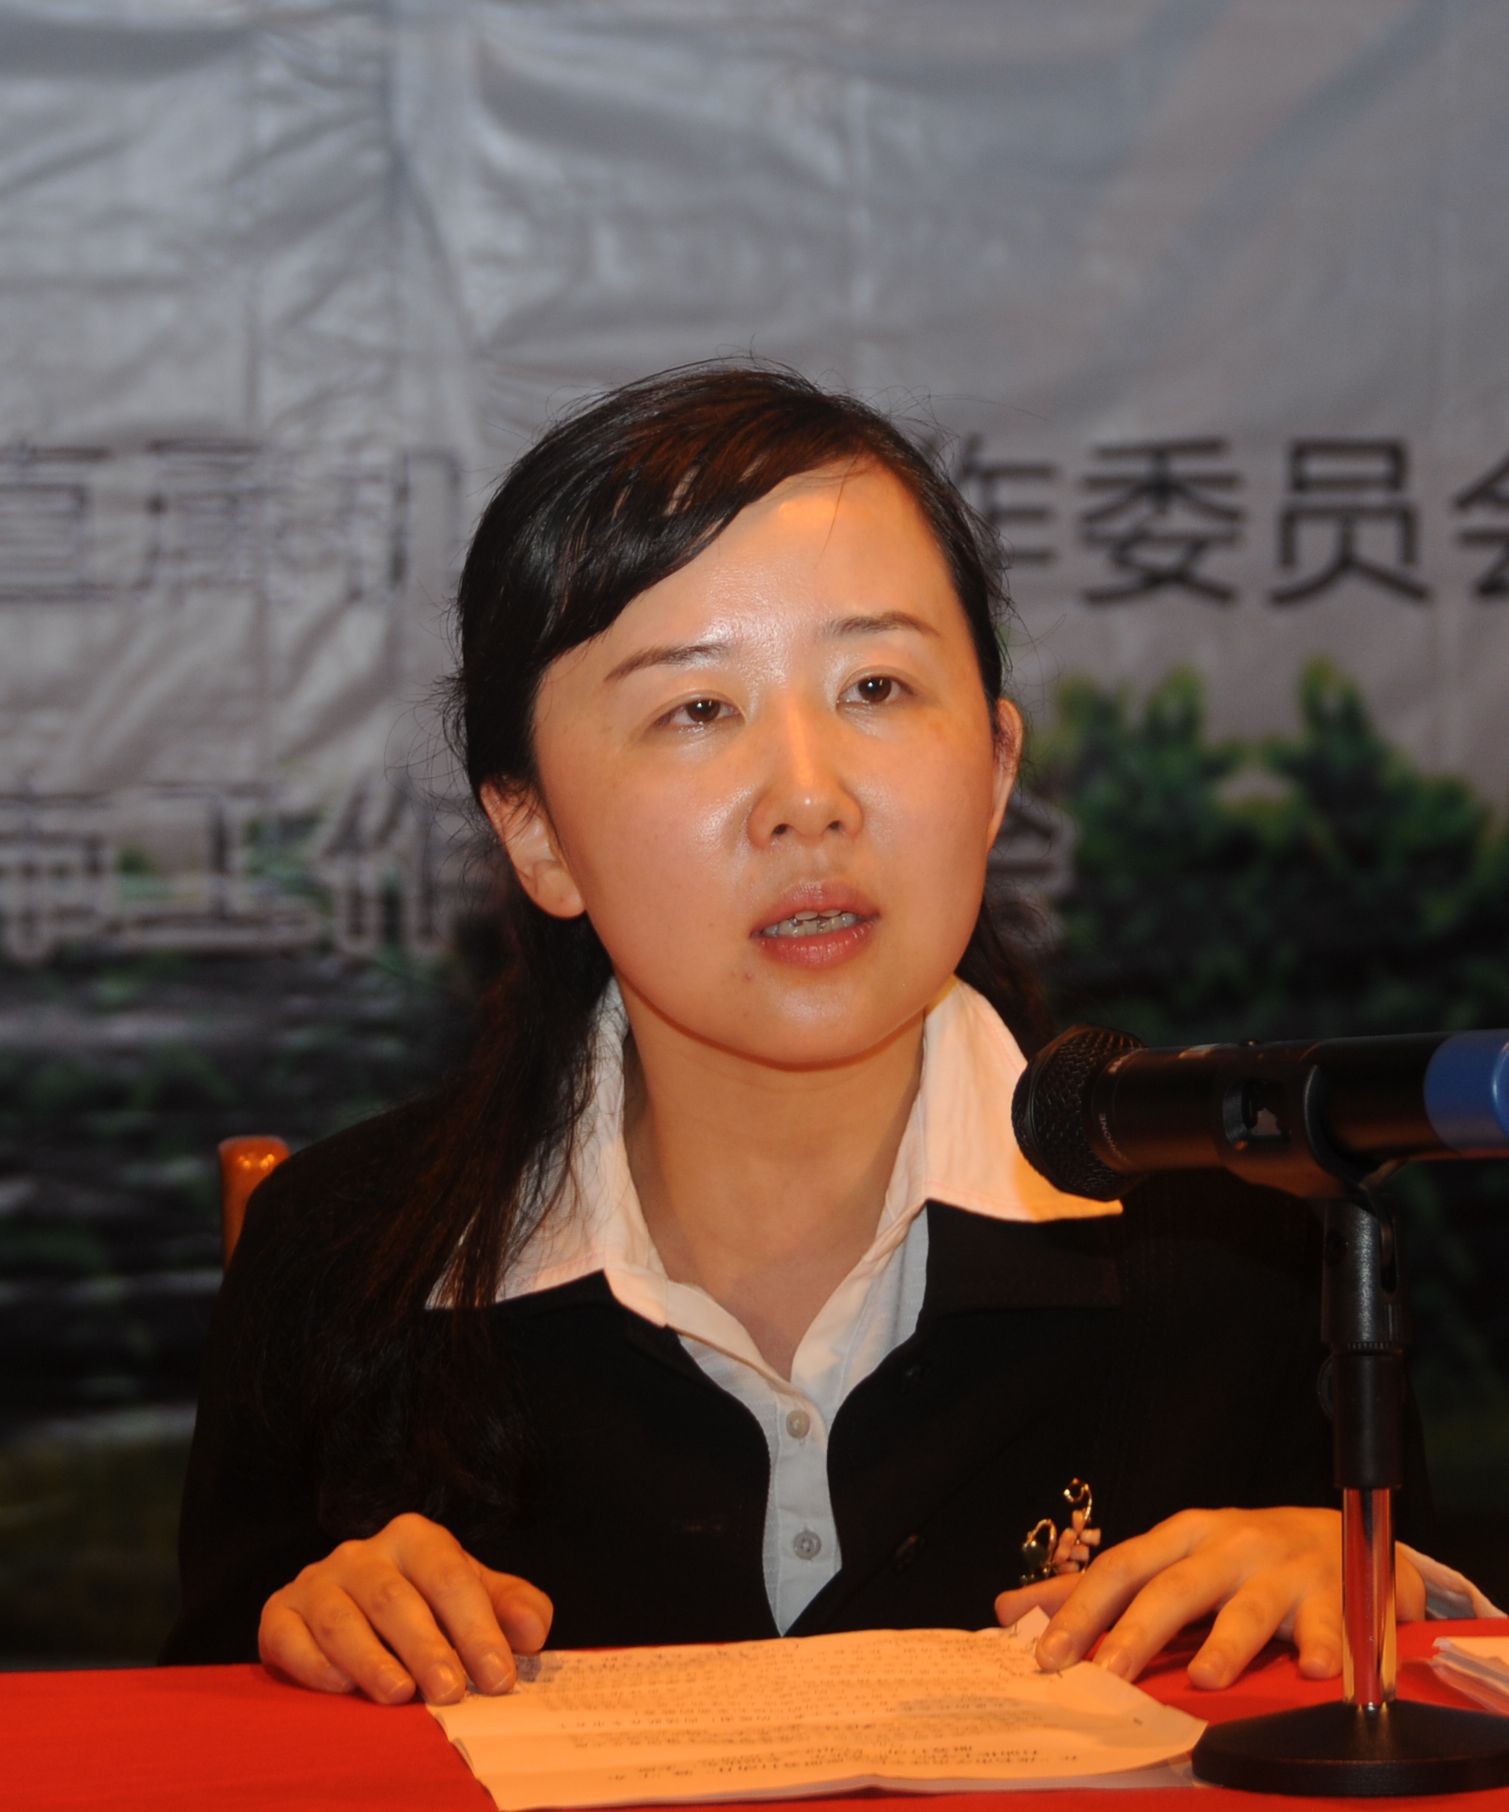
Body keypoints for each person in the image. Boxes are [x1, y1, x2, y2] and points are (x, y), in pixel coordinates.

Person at [163, 363, 1447, 1708]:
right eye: (696, 709)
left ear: (996, 765)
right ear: (535, 833)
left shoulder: (1239, 1227)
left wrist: (1360, 1577)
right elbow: (190, 1740)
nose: (808, 796)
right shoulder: (350, 1259)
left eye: (876, 687)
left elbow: (1426, 1708)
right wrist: (302, 1636)